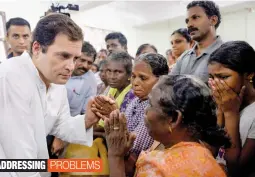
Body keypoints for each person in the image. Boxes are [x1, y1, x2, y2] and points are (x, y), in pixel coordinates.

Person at [0, 14, 102, 177]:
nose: (70, 66)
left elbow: (60, 125)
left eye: (75, 58)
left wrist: (87, 120)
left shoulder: (55, 80)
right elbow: (19, 156)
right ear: (37, 48)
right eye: (63, 56)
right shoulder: (11, 77)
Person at [104, 75, 230, 177]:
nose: (146, 111)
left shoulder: (156, 166)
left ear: (174, 119)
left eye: (151, 105)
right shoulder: (206, 156)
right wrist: (124, 155)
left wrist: (115, 156)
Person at [94, 53, 169, 176]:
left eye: (143, 78)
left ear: (161, 80)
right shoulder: (135, 100)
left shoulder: (156, 108)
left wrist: (114, 118)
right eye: (133, 76)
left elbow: (131, 144)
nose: (135, 83)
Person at [208, 41, 255, 177]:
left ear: (249, 74)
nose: (215, 84)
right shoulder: (220, 101)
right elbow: (210, 152)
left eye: (223, 77)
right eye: (211, 77)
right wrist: (220, 113)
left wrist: (230, 113)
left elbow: (236, 169)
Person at [170, 1, 223, 82]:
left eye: (195, 17)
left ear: (213, 20)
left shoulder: (226, 54)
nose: (189, 25)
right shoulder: (184, 57)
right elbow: (169, 85)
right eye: (187, 21)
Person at [66, 41, 97, 117]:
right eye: (82, 60)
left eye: (89, 63)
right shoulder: (61, 67)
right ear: (74, 57)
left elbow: (85, 113)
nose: (85, 66)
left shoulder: (90, 80)